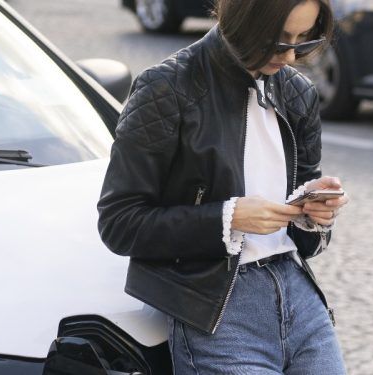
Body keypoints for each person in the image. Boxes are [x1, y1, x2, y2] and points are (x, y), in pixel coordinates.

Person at [97, 0, 350, 373]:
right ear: (243, 19)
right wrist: (226, 218)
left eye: (303, 40)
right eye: (279, 41)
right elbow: (119, 223)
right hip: (217, 308)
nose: (292, 56)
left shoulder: (297, 93)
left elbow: (306, 237)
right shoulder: (166, 88)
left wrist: (315, 213)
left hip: (300, 297)